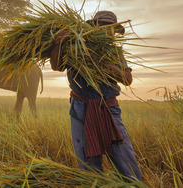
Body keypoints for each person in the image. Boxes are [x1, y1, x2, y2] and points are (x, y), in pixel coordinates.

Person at [49, 10, 142, 182]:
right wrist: (57, 44)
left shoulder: (114, 53)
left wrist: (100, 62)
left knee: (125, 160)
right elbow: (56, 66)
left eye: (110, 29)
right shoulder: (75, 47)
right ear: (93, 28)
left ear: (114, 33)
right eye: (102, 27)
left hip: (108, 109)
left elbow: (127, 79)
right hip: (80, 108)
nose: (106, 32)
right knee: (88, 165)